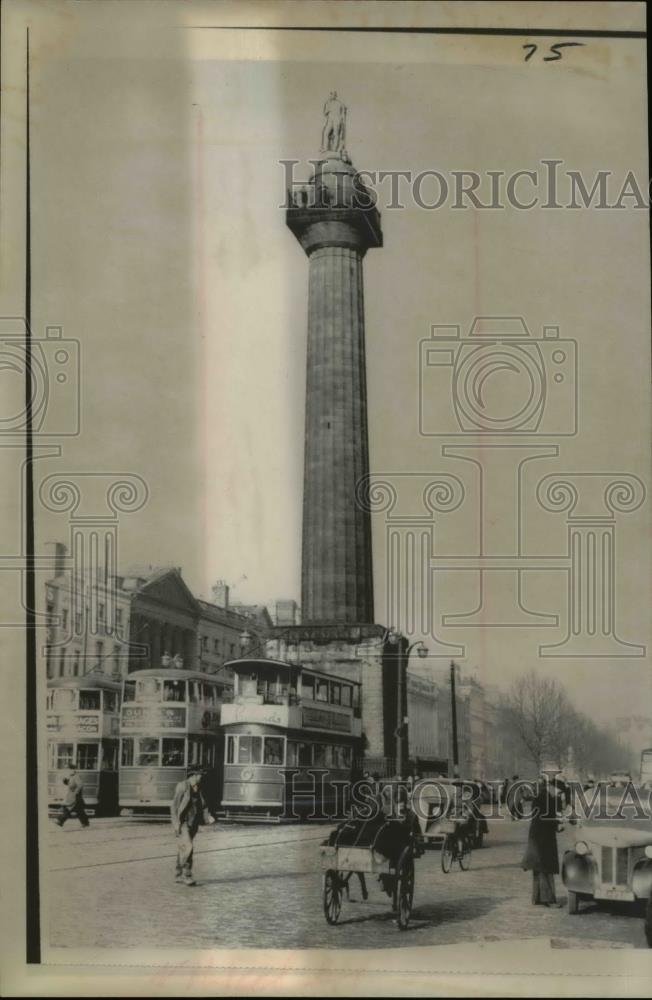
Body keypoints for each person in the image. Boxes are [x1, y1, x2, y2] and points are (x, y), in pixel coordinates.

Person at [522, 772, 563, 907]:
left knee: (538, 867)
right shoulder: (547, 798)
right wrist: (557, 824)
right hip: (544, 836)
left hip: (536, 835)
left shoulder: (539, 797)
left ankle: (537, 897)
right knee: (546, 867)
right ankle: (548, 899)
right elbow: (547, 817)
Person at [170, 766, 215, 886]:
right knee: (188, 846)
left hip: (193, 822)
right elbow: (174, 806)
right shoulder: (183, 786)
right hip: (183, 822)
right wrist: (176, 824)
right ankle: (186, 875)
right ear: (194, 775)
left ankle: (178, 874)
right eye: (200, 775)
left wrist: (208, 816)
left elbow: (203, 805)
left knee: (184, 847)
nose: (201, 777)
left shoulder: (199, 788)